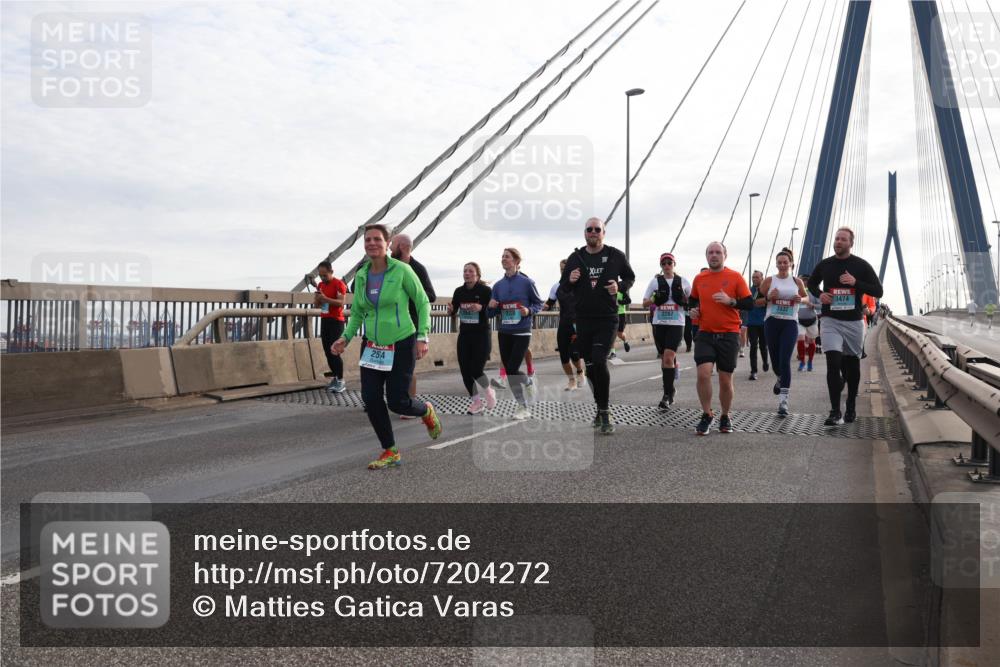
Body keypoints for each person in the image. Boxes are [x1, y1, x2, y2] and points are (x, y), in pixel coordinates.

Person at [331, 224, 441, 470]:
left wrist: (423, 336)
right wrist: (345, 337)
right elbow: (358, 311)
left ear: (387, 243)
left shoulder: (402, 270)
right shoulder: (361, 274)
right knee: (370, 398)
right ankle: (390, 450)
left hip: (401, 341)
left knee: (398, 401)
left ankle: (425, 411)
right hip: (372, 344)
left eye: (377, 239)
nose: (371, 243)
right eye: (367, 239)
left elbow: (423, 303)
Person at [560, 217, 636, 435]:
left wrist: (619, 286)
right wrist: (571, 280)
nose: (593, 232)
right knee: (591, 366)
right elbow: (562, 290)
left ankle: (604, 410)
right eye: (589, 229)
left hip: (607, 317)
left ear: (604, 232)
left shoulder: (615, 255)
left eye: (597, 229)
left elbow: (630, 277)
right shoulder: (575, 258)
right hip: (583, 319)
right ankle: (600, 407)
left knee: (599, 359)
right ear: (584, 233)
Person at [807, 227, 884, 426]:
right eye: (837, 239)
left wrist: (856, 282)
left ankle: (850, 404)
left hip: (854, 322)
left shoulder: (860, 265)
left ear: (850, 243)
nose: (838, 242)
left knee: (852, 366)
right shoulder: (825, 265)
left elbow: (878, 290)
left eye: (843, 239)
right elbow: (812, 284)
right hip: (830, 320)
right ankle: (835, 411)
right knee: (833, 363)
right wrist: (820, 294)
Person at [688, 242, 754, 435]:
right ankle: (707, 414)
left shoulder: (735, 277)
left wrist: (731, 301)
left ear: (725, 255)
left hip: (729, 334)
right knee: (703, 374)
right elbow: (693, 299)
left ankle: (725, 415)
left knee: (725, 380)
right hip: (705, 333)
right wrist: (692, 310)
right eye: (711, 252)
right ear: (706, 256)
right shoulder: (700, 278)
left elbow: (749, 303)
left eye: (718, 252)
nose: (714, 255)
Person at [488, 248, 544, 420]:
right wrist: (491, 307)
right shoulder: (497, 286)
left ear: (517, 262)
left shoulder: (527, 283)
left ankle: (526, 389)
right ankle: (523, 403)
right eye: (502, 256)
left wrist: (528, 310)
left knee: (511, 369)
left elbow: (539, 304)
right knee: (511, 371)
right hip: (504, 331)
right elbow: (490, 315)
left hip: (522, 331)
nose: (504, 259)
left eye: (507, 257)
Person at [389, 234, 436, 408]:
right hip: (392, 324)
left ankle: (409, 401)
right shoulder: (390, 267)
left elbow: (430, 296)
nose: (389, 248)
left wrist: (409, 294)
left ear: (401, 246)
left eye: (392, 244)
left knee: (408, 367)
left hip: (411, 325)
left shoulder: (418, 268)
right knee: (387, 364)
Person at [759, 249, 807, 417]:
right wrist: (767, 298)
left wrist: (801, 299)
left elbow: (807, 299)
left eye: (785, 262)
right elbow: (756, 302)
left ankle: (783, 401)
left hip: (790, 324)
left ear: (791, 264)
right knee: (775, 361)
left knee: (785, 359)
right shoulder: (769, 281)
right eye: (779, 262)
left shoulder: (797, 281)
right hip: (772, 322)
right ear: (776, 264)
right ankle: (779, 377)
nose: (782, 265)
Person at [642, 252, 690, 409]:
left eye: (669, 262)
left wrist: (686, 300)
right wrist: (654, 299)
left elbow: (693, 300)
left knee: (669, 357)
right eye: (664, 263)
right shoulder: (655, 282)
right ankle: (671, 389)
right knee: (664, 359)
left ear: (674, 264)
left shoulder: (683, 281)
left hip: (676, 323)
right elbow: (644, 303)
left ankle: (666, 395)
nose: (667, 266)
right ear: (661, 266)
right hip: (659, 323)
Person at [449, 262, 497, 414]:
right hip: (465, 335)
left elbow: (492, 310)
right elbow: (453, 310)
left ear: (477, 274)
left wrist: (481, 307)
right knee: (465, 371)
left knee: (476, 369)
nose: (467, 273)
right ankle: (476, 402)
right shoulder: (459, 291)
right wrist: (450, 311)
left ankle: (489, 392)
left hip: (481, 335)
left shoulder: (485, 290)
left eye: (470, 271)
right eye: (465, 271)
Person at [544, 259, 585, 391]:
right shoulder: (556, 286)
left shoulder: (581, 284)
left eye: (565, 268)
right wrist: (537, 307)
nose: (563, 271)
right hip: (563, 323)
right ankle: (571, 381)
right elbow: (549, 304)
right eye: (561, 269)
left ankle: (579, 371)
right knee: (563, 354)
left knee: (574, 353)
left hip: (577, 323)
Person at [310, 261, 348, 393]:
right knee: (327, 351)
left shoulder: (339, 284)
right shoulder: (320, 285)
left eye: (325, 275)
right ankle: (336, 378)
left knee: (334, 351)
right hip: (325, 319)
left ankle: (341, 380)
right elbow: (317, 305)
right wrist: (317, 299)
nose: (322, 278)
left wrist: (325, 299)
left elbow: (341, 302)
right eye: (320, 275)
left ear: (331, 272)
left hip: (336, 321)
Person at [744, 270, 769, 381]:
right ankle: (753, 371)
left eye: (757, 277)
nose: (754, 279)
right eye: (753, 277)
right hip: (752, 323)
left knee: (763, 346)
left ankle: (765, 361)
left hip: (764, 323)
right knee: (753, 346)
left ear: (762, 278)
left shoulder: (767, 290)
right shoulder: (748, 290)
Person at [796, 274, 820, 371]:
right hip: (799, 320)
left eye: (806, 281)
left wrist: (813, 305)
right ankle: (802, 361)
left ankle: (810, 361)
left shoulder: (814, 292)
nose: (804, 283)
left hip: (812, 320)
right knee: (800, 340)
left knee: (811, 342)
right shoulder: (796, 292)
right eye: (802, 280)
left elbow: (821, 305)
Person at [610, 291, 631, 359]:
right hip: (612, 314)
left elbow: (628, 300)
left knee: (619, 334)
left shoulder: (622, 292)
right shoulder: (609, 291)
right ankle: (613, 352)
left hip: (621, 314)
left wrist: (620, 302)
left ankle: (625, 341)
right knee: (612, 334)